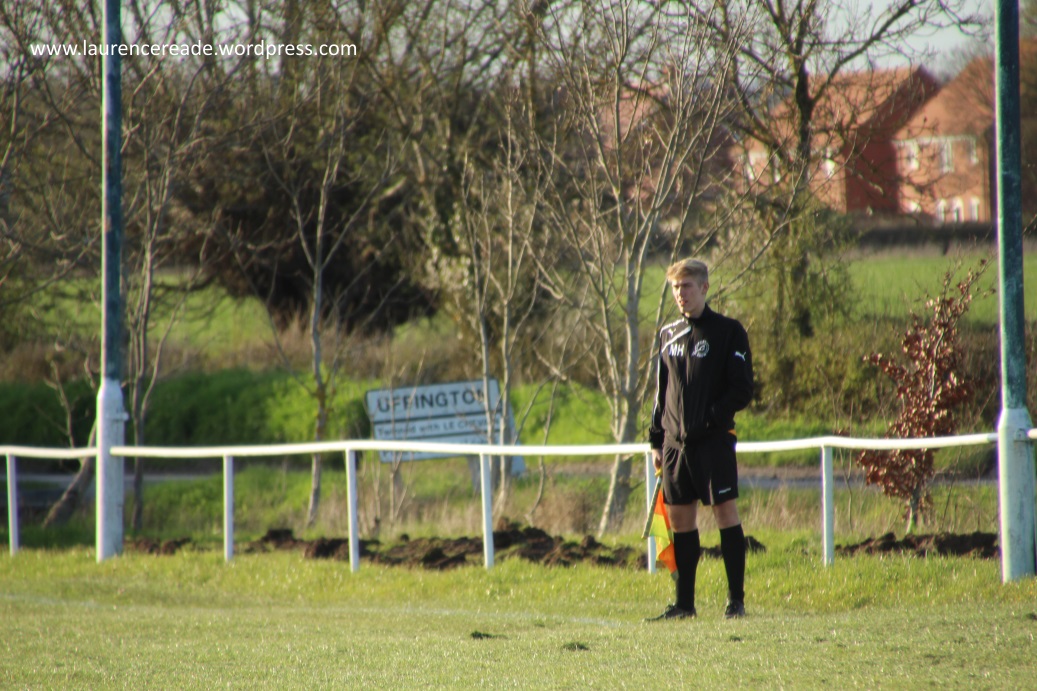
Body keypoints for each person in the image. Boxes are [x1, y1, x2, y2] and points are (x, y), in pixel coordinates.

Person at [646, 258, 754, 621]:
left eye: (687, 286)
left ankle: (735, 602)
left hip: (713, 443)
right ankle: (684, 605)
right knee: (680, 521)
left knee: (725, 514)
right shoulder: (668, 334)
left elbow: (742, 388)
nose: (681, 294)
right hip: (675, 447)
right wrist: (656, 441)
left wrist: (711, 418)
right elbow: (661, 393)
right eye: (676, 288)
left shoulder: (728, 332)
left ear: (704, 287)